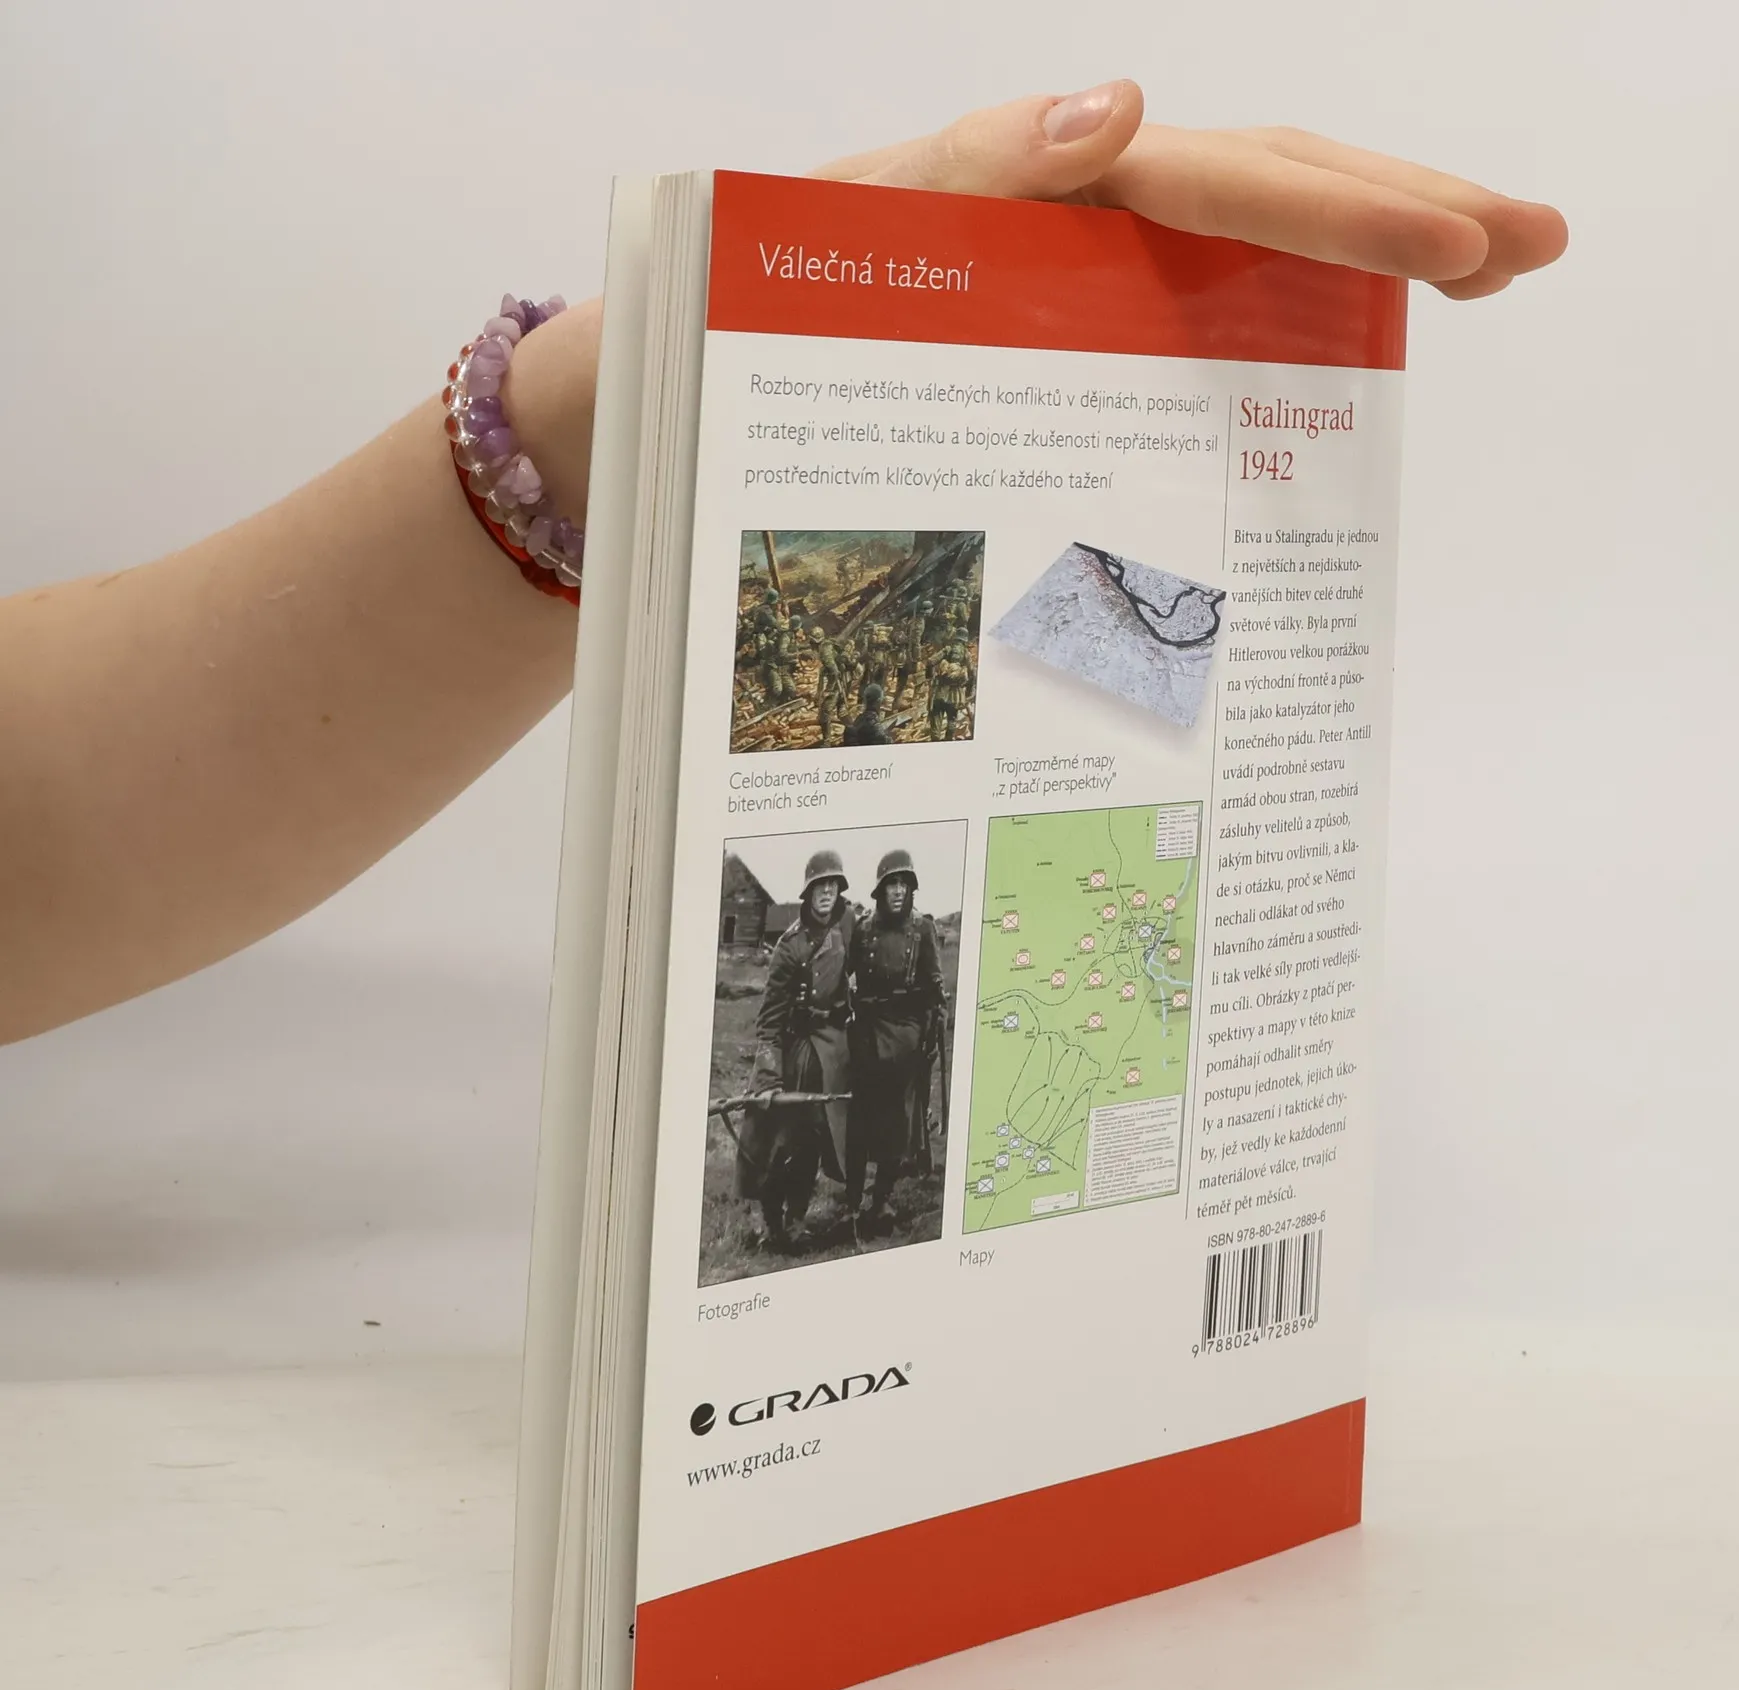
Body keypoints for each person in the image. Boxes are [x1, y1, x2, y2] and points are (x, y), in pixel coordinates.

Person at [0, 84, 1565, 1047]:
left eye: (875, 881)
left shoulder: (905, 927)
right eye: (867, 880)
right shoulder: (832, 934)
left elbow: (43, 833)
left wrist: (612, 406)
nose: (874, 889)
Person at [737, 849, 854, 1252]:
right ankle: (772, 1224)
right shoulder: (790, 946)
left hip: (829, 1052)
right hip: (793, 1050)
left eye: (833, 884)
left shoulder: (846, 927)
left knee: (813, 1142)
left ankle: (797, 1220)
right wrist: (768, 1077)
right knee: (778, 1144)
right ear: (808, 891)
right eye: (820, 885)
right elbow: (769, 1018)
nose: (827, 892)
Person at [847, 850, 948, 1237]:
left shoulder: (922, 929)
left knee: (896, 1117)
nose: (899, 891)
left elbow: (934, 984)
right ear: (880, 889)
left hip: (906, 1029)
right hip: (868, 1025)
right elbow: (846, 973)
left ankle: (882, 1197)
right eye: (892, 883)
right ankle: (853, 1198)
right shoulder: (863, 929)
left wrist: (934, 1026)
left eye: (905, 884)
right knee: (858, 1113)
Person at [841, 683, 894, 748]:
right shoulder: (872, 723)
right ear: (879, 701)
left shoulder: (857, 719)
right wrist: (891, 735)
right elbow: (886, 742)